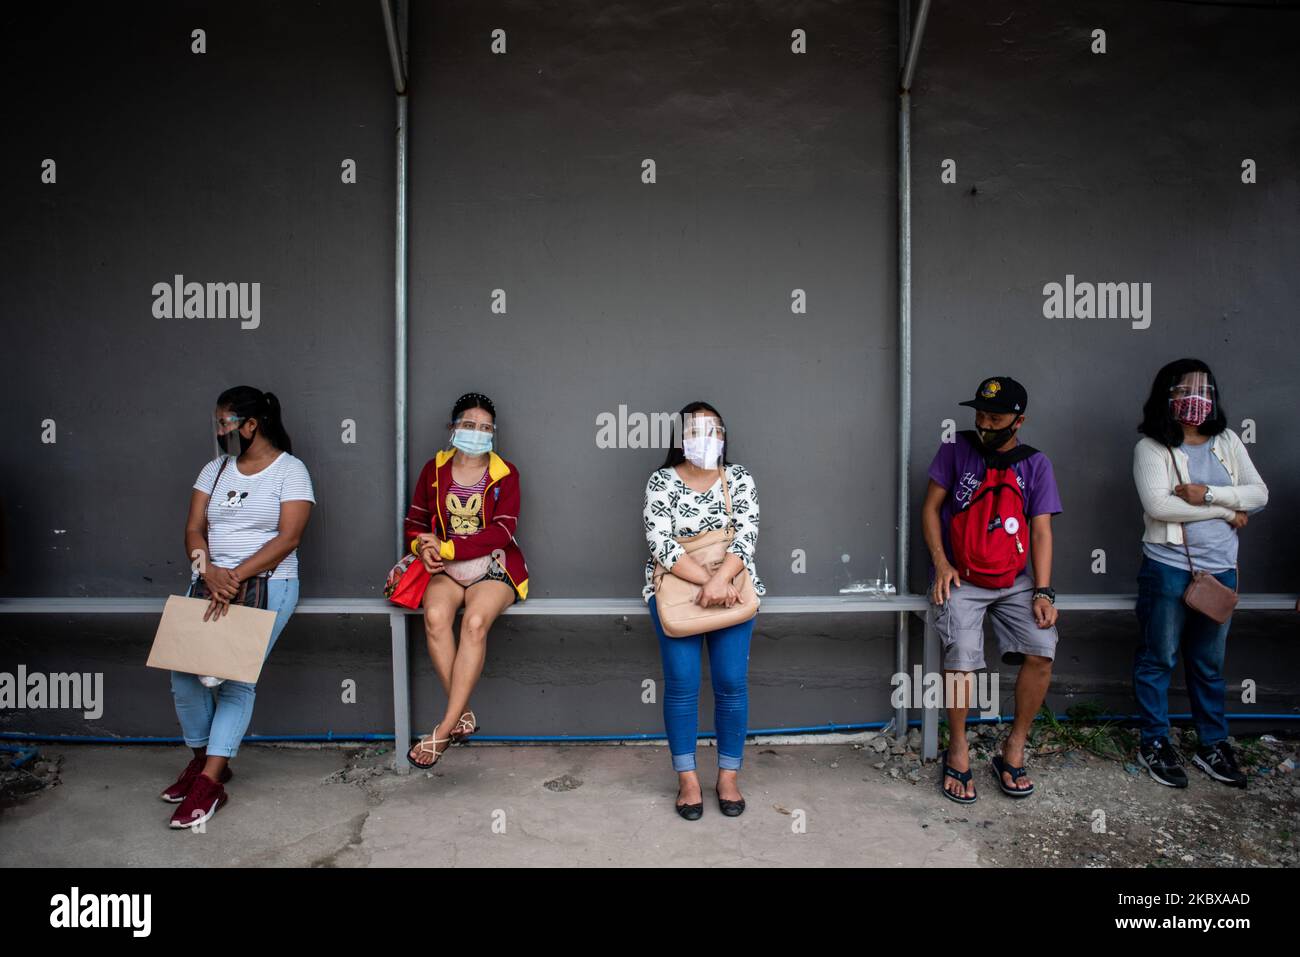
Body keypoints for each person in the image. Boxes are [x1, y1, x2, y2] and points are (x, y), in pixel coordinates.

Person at [167, 387, 314, 828]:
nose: (219, 430)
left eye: (225, 422)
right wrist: (207, 569)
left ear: (251, 425)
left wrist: (233, 576)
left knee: (235, 681)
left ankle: (210, 784)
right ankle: (207, 761)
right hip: (208, 584)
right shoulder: (214, 470)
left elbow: (288, 537)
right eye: (218, 422)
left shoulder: (291, 471)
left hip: (268, 586)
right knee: (184, 677)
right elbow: (194, 527)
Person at [922, 376, 1061, 804]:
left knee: (1042, 647)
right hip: (962, 576)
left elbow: (1041, 531)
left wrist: (1043, 591)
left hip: (1014, 581)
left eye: (995, 417)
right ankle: (958, 748)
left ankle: (1014, 747)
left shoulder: (1035, 464)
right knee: (961, 658)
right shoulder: (955, 450)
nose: (985, 423)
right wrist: (942, 564)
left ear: (1018, 421)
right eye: (980, 414)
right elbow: (930, 509)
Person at [1132, 359, 1267, 789]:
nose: (1195, 400)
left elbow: (1259, 493)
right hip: (1169, 569)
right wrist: (1227, 508)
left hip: (1220, 572)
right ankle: (1154, 740)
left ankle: (1213, 743)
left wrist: (1207, 492)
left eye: (1203, 390)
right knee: (1159, 658)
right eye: (1184, 390)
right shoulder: (1152, 448)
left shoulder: (1226, 441)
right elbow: (1159, 506)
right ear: (1166, 395)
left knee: (1208, 664)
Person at [642, 402, 764, 820]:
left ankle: (728, 776)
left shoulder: (739, 478)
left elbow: (747, 535)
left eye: (714, 431)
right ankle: (687, 779)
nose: (705, 439)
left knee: (731, 682)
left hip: (731, 583)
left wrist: (721, 580)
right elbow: (661, 542)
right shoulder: (661, 481)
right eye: (695, 432)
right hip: (678, 590)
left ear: (725, 437)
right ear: (680, 440)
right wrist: (707, 582)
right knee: (682, 683)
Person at [404, 392, 529, 769]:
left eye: (486, 428)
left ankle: (443, 729)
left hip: (493, 566)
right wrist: (422, 548)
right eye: (470, 425)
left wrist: (447, 548)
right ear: (453, 427)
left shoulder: (505, 473)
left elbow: (502, 532)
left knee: (475, 624)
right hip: (446, 569)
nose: (478, 432)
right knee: (435, 618)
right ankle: (463, 715)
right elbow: (414, 522)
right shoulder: (434, 469)